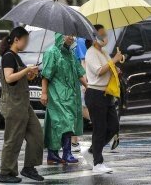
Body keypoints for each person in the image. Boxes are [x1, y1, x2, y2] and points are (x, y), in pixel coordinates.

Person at [0, 27, 44, 183]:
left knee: (37, 134)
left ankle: (29, 167)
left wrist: (30, 74)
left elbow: (20, 78)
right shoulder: (8, 57)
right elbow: (9, 78)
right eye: (25, 40)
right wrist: (26, 71)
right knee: (13, 139)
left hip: (24, 104)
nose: (27, 43)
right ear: (16, 39)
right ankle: (6, 173)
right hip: (13, 104)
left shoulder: (17, 57)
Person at [40, 33, 87, 165]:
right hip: (56, 94)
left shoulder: (71, 54)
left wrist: (87, 86)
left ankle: (53, 154)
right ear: (59, 35)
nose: (71, 37)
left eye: (73, 35)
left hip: (70, 95)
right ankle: (66, 153)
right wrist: (44, 93)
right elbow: (46, 74)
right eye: (68, 34)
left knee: (58, 124)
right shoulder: (51, 52)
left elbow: (79, 72)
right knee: (65, 122)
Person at [81, 24, 122, 173]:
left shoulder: (104, 52)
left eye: (105, 34)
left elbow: (107, 69)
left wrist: (115, 69)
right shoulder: (91, 53)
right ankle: (97, 163)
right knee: (100, 128)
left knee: (113, 127)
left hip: (107, 94)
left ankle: (92, 151)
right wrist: (114, 60)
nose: (105, 37)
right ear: (93, 38)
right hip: (95, 94)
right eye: (101, 35)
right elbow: (98, 71)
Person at [71, 37, 91, 153]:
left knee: (81, 109)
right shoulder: (73, 42)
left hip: (79, 83)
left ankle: (104, 124)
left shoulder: (79, 42)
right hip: (73, 83)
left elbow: (83, 62)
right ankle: (74, 141)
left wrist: (84, 84)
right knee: (76, 111)